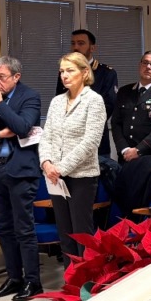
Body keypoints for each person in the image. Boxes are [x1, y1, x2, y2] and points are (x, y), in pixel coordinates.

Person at [0, 56, 44, 301]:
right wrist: (0, 134)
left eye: (1, 77)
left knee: (23, 228)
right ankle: (14, 278)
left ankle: (32, 281)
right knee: (3, 227)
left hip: (20, 170)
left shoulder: (30, 96)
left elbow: (22, 127)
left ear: (16, 77)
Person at [40, 52, 107, 259]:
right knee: (65, 233)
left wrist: (61, 168)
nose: (64, 75)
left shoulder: (94, 100)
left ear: (84, 72)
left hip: (81, 177)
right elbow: (46, 136)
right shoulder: (57, 102)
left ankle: (87, 277)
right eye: (62, 71)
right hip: (55, 177)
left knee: (81, 233)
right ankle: (70, 276)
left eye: (70, 70)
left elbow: (90, 142)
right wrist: (46, 163)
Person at [55, 29, 118, 158]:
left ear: (92, 48)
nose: (76, 47)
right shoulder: (65, 72)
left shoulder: (106, 73)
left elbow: (108, 106)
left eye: (81, 43)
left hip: (95, 141)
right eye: (73, 43)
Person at [113, 51, 151, 164]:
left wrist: (138, 150)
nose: (148, 67)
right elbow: (116, 123)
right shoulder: (124, 91)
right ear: (139, 65)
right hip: (125, 157)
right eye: (145, 63)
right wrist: (124, 149)